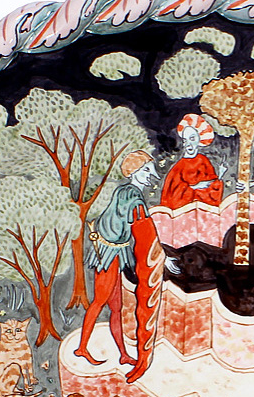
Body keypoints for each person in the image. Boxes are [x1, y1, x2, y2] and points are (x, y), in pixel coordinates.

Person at [74, 150, 179, 383]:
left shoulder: (124, 192)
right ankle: (82, 348)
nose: (152, 175)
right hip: (109, 253)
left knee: (116, 307)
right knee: (100, 301)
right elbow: (145, 234)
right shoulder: (133, 198)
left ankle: (122, 353)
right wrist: (161, 257)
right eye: (147, 170)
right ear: (135, 172)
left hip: (116, 250)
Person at [159, 114, 227, 210]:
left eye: (192, 139)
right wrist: (194, 187)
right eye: (185, 140)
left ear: (200, 140)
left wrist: (220, 176)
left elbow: (213, 193)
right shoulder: (178, 167)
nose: (188, 144)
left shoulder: (204, 161)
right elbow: (171, 198)